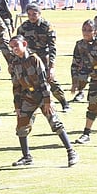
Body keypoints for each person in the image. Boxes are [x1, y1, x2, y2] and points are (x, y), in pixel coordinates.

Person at [5, 36, 79, 167]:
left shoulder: (34, 59)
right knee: (21, 126)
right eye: (12, 47)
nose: (14, 49)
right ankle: (26, 156)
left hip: (42, 95)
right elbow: (16, 85)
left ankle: (71, 152)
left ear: (24, 44)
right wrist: (17, 105)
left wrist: (47, 101)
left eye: (16, 45)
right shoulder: (14, 63)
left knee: (55, 123)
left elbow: (43, 81)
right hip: (28, 97)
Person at [15, 3, 71, 111]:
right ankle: (23, 105)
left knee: (50, 80)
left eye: (34, 14)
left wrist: (52, 66)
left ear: (39, 14)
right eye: (29, 14)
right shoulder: (23, 28)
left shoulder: (46, 26)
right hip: (28, 58)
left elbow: (52, 47)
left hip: (43, 57)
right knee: (24, 81)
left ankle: (64, 102)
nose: (32, 16)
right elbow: (18, 45)